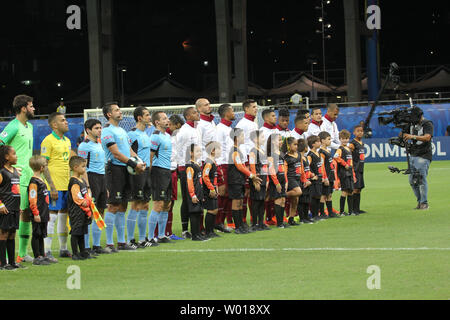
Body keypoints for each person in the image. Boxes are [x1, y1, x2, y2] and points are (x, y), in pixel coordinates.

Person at [101, 102, 145, 252]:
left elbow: (129, 150)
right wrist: (134, 164)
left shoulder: (122, 130)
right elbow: (116, 153)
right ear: (109, 114)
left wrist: (139, 161)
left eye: (119, 110)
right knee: (113, 205)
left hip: (126, 169)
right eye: (116, 110)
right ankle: (109, 244)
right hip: (114, 169)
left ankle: (121, 242)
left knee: (123, 205)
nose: (120, 112)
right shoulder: (106, 130)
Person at [0, 94, 35, 263]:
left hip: (28, 176)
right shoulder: (13, 126)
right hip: (16, 178)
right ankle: (6, 256)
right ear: (23, 108)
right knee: (13, 215)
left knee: (26, 213)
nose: (33, 108)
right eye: (31, 105)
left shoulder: (29, 127)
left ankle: (22, 253)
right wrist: (7, 169)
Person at [41, 112, 75, 261]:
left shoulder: (66, 140)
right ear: (54, 125)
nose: (66, 122)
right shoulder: (48, 141)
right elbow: (44, 165)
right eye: (62, 120)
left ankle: (63, 248)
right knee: (51, 217)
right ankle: (47, 251)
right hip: (53, 186)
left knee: (64, 216)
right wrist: (52, 186)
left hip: (66, 185)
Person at [78, 119, 110, 254]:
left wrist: (105, 186)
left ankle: (96, 245)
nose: (100, 130)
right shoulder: (84, 146)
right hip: (91, 178)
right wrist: (88, 186)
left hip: (102, 178)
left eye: (100, 128)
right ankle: (85, 247)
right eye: (96, 128)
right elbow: (82, 168)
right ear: (88, 130)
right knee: (89, 213)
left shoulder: (99, 143)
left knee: (100, 211)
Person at [126, 107, 153, 249]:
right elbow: (127, 149)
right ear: (139, 118)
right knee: (135, 204)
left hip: (147, 171)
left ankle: (142, 239)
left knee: (145, 205)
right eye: (147, 115)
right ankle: (130, 239)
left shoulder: (145, 134)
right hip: (137, 172)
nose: (150, 117)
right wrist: (137, 162)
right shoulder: (132, 134)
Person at [228, 128, 262, 234]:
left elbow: (242, 166)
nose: (244, 137)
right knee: (236, 202)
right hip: (235, 180)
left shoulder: (238, 150)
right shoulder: (234, 151)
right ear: (236, 138)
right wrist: (252, 175)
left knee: (240, 202)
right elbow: (239, 167)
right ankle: (238, 226)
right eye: (242, 136)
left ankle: (241, 225)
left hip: (239, 180)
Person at [400, 106, 434, 210]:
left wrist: (412, 136)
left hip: (423, 155)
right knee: (412, 181)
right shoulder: (410, 124)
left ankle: (424, 203)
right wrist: (402, 130)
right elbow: (401, 135)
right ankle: (420, 201)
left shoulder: (427, 123)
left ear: (419, 116)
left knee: (421, 179)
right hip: (413, 154)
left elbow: (427, 137)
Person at [147, 111, 173, 245]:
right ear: (157, 122)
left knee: (167, 204)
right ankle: (151, 237)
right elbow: (150, 156)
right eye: (164, 119)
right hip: (158, 172)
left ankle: (162, 235)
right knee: (158, 204)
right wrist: (148, 173)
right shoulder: (155, 136)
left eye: (167, 118)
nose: (167, 120)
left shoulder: (167, 135)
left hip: (167, 171)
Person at [176, 107, 201, 239]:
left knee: (195, 196)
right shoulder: (184, 131)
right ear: (188, 116)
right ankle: (185, 230)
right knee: (187, 199)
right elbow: (180, 150)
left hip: (195, 166)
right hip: (186, 167)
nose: (197, 114)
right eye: (194, 113)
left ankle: (196, 228)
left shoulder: (195, 129)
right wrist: (185, 167)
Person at [0, 145, 26, 270]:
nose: (16, 156)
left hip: (14, 207)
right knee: (3, 233)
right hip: (5, 208)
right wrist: (1, 204)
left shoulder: (15, 171)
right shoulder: (2, 172)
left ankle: (12, 262)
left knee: (12, 234)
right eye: (14, 154)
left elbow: (16, 190)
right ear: (6, 157)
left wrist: (18, 206)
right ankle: (3, 263)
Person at [235, 100, 259, 230]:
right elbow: (241, 143)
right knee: (246, 191)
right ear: (246, 109)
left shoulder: (253, 123)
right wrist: (247, 162)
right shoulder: (242, 124)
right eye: (253, 107)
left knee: (252, 190)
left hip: (254, 158)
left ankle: (252, 219)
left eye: (256, 107)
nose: (256, 109)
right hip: (247, 160)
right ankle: (242, 220)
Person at [67, 156, 94, 260]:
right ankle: (75, 253)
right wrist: (85, 202)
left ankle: (83, 252)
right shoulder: (74, 181)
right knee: (76, 232)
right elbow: (77, 197)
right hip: (76, 211)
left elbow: (86, 194)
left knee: (82, 232)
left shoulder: (82, 180)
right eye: (83, 167)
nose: (84, 169)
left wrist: (89, 201)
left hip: (84, 211)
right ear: (75, 167)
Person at [215, 104, 235, 233]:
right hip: (223, 165)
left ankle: (222, 222)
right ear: (226, 113)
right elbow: (217, 149)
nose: (234, 113)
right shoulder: (219, 129)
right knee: (222, 194)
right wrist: (219, 168)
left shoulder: (229, 128)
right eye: (232, 110)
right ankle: (217, 222)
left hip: (231, 164)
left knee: (228, 195)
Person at [164, 114, 185, 241]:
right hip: (164, 172)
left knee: (170, 203)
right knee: (163, 203)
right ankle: (160, 233)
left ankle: (168, 232)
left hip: (173, 171)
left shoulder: (174, 137)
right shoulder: (163, 137)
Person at [28, 155, 52, 266]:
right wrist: (36, 213)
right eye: (45, 166)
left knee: (42, 234)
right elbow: (32, 199)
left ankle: (42, 255)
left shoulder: (41, 180)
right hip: (37, 213)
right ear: (41, 168)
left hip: (43, 211)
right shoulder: (34, 182)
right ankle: (37, 256)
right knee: (36, 234)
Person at [248, 130, 270, 231]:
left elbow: (265, 166)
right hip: (257, 179)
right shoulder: (253, 151)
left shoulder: (262, 150)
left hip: (264, 179)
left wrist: (267, 179)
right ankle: (254, 223)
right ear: (255, 139)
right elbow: (252, 166)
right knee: (256, 202)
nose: (263, 139)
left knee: (262, 201)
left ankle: (261, 222)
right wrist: (254, 181)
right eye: (261, 137)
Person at [186, 144, 208, 241]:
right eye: (197, 151)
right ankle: (194, 235)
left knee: (199, 212)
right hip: (194, 194)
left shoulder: (197, 165)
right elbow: (189, 181)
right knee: (194, 213)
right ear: (191, 153)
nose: (199, 153)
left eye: (200, 151)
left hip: (199, 193)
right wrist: (192, 194)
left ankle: (198, 233)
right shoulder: (190, 166)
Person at [267, 133, 288, 228]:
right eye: (279, 140)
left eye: (281, 140)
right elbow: (271, 170)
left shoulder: (282, 153)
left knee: (283, 200)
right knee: (278, 200)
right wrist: (276, 183)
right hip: (276, 182)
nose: (281, 142)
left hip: (283, 180)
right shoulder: (271, 154)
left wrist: (286, 181)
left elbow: (284, 168)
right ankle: (279, 223)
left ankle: (281, 221)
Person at [334, 130, 357, 216]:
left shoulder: (349, 149)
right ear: (340, 139)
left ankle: (351, 211)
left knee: (351, 191)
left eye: (346, 138)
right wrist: (344, 164)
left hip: (350, 172)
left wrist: (353, 174)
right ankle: (342, 211)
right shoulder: (340, 149)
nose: (345, 140)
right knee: (344, 191)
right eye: (343, 139)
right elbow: (336, 157)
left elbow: (351, 164)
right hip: (344, 173)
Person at [281, 137, 302, 226]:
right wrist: (286, 182)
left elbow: (302, 168)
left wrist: (303, 178)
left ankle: (291, 218)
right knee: (298, 192)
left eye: (297, 144)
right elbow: (285, 171)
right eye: (294, 144)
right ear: (289, 146)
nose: (296, 146)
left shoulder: (299, 154)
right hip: (291, 178)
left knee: (295, 200)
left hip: (298, 178)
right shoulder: (286, 157)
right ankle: (282, 195)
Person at [318, 131, 339, 219]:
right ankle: (322, 213)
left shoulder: (328, 150)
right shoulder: (321, 152)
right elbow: (322, 165)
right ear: (322, 140)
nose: (330, 141)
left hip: (330, 175)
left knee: (329, 194)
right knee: (323, 195)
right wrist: (324, 177)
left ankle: (330, 212)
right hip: (326, 176)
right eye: (328, 139)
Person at [202, 142, 220, 238]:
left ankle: (211, 230)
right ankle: (208, 232)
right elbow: (205, 176)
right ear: (213, 151)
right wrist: (211, 188)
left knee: (215, 209)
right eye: (218, 149)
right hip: (209, 190)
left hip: (213, 188)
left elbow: (214, 176)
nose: (220, 151)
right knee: (211, 210)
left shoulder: (213, 161)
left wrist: (216, 186)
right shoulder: (209, 162)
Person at [306, 135, 325, 222]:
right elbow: (307, 166)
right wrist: (312, 175)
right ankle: (314, 215)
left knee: (318, 196)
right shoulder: (310, 155)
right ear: (313, 144)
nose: (320, 142)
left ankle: (317, 214)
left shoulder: (318, 153)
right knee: (314, 196)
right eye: (318, 141)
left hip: (320, 178)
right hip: (314, 179)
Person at [349, 125, 366, 214]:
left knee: (359, 189)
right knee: (355, 189)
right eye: (358, 131)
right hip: (355, 169)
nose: (360, 132)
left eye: (361, 131)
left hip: (360, 168)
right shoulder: (353, 144)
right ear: (354, 133)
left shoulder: (361, 143)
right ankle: (352, 209)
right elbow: (348, 156)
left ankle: (357, 208)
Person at [297, 139, 314, 224]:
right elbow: (299, 171)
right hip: (303, 182)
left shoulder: (306, 157)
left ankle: (306, 217)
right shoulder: (299, 158)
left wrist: (311, 175)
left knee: (307, 200)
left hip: (308, 181)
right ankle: (302, 217)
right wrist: (305, 180)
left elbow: (307, 170)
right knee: (302, 201)